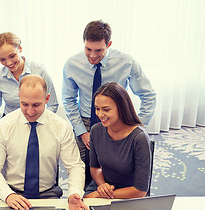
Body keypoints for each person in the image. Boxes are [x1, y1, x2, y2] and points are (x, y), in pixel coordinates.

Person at [62, 20, 156, 190]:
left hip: (117, 121)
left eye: (98, 50)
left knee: (120, 169)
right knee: (81, 171)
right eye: (88, 49)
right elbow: (68, 99)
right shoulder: (72, 64)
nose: (92, 55)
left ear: (109, 44)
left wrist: (137, 127)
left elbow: (148, 95)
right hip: (85, 122)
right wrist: (82, 132)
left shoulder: (126, 62)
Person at [0, 74, 88, 210]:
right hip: (11, 193)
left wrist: (74, 193)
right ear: (19, 97)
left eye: (36, 105)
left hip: (48, 194)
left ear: (47, 99)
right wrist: (8, 195)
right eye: (24, 104)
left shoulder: (61, 126)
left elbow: (75, 166)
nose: (30, 111)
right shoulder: (4, 125)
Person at [84, 82, 151, 199]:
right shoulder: (96, 130)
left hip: (129, 193)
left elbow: (140, 190)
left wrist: (100, 195)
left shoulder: (139, 138)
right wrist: (103, 186)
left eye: (106, 109)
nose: (100, 114)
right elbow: (95, 167)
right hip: (102, 185)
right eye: (97, 108)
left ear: (121, 108)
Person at [0, 32, 58, 125]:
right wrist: (1, 127)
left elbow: (53, 105)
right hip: (10, 125)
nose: (9, 63)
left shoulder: (39, 70)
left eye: (12, 56)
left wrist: (38, 123)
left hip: (37, 123)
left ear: (20, 49)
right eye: (2, 59)